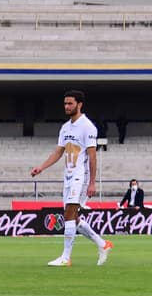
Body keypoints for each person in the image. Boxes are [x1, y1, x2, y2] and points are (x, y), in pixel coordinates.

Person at [30, 89, 113, 267]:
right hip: (68, 177)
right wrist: (41, 167)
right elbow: (59, 151)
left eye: (70, 103)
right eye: (65, 103)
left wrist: (92, 182)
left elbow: (92, 155)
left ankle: (66, 257)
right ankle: (103, 244)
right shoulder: (65, 127)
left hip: (80, 177)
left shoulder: (88, 126)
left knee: (69, 214)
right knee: (72, 218)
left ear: (79, 104)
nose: (67, 106)